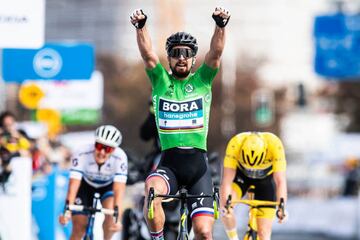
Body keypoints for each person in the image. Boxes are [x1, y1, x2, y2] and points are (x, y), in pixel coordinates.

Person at [130, 6, 230, 240]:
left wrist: (220, 26)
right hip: (169, 167)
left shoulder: (202, 81)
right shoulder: (161, 82)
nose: (182, 57)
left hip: (198, 170)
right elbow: (148, 55)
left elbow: (215, 53)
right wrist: (141, 27)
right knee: (152, 192)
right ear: (170, 58)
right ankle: (157, 238)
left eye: (187, 53)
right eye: (176, 53)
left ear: (194, 58)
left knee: (204, 233)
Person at [59, 125, 128, 240]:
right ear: (94, 143)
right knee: (79, 226)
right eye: (99, 146)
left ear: (114, 150)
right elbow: (73, 185)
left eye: (107, 149)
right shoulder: (82, 153)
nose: (101, 152)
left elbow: (119, 190)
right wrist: (67, 211)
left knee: (111, 219)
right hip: (85, 185)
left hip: (107, 186)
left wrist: (117, 219)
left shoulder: (120, 157)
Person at [220, 132, 287, 240]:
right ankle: (233, 238)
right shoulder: (235, 143)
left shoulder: (275, 144)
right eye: (250, 167)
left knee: (264, 233)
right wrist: (226, 206)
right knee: (226, 210)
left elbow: (280, 181)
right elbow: (227, 180)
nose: (253, 170)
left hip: (265, 182)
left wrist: (281, 208)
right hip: (241, 178)